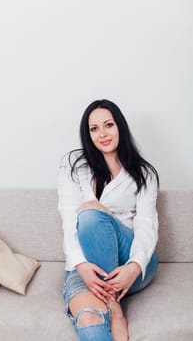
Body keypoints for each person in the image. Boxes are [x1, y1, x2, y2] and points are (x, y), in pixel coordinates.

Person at [57, 99, 159, 341]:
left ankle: (113, 306)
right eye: (94, 129)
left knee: (91, 214)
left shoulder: (144, 174)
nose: (102, 134)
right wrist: (81, 265)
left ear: (120, 127)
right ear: (88, 134)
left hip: (131, 261)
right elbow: (68, 220)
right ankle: (110, 306)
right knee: (88, 318)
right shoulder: (73, 166)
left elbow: (147, 226)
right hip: (86, 264)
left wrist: (134, 267)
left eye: (108, 125)